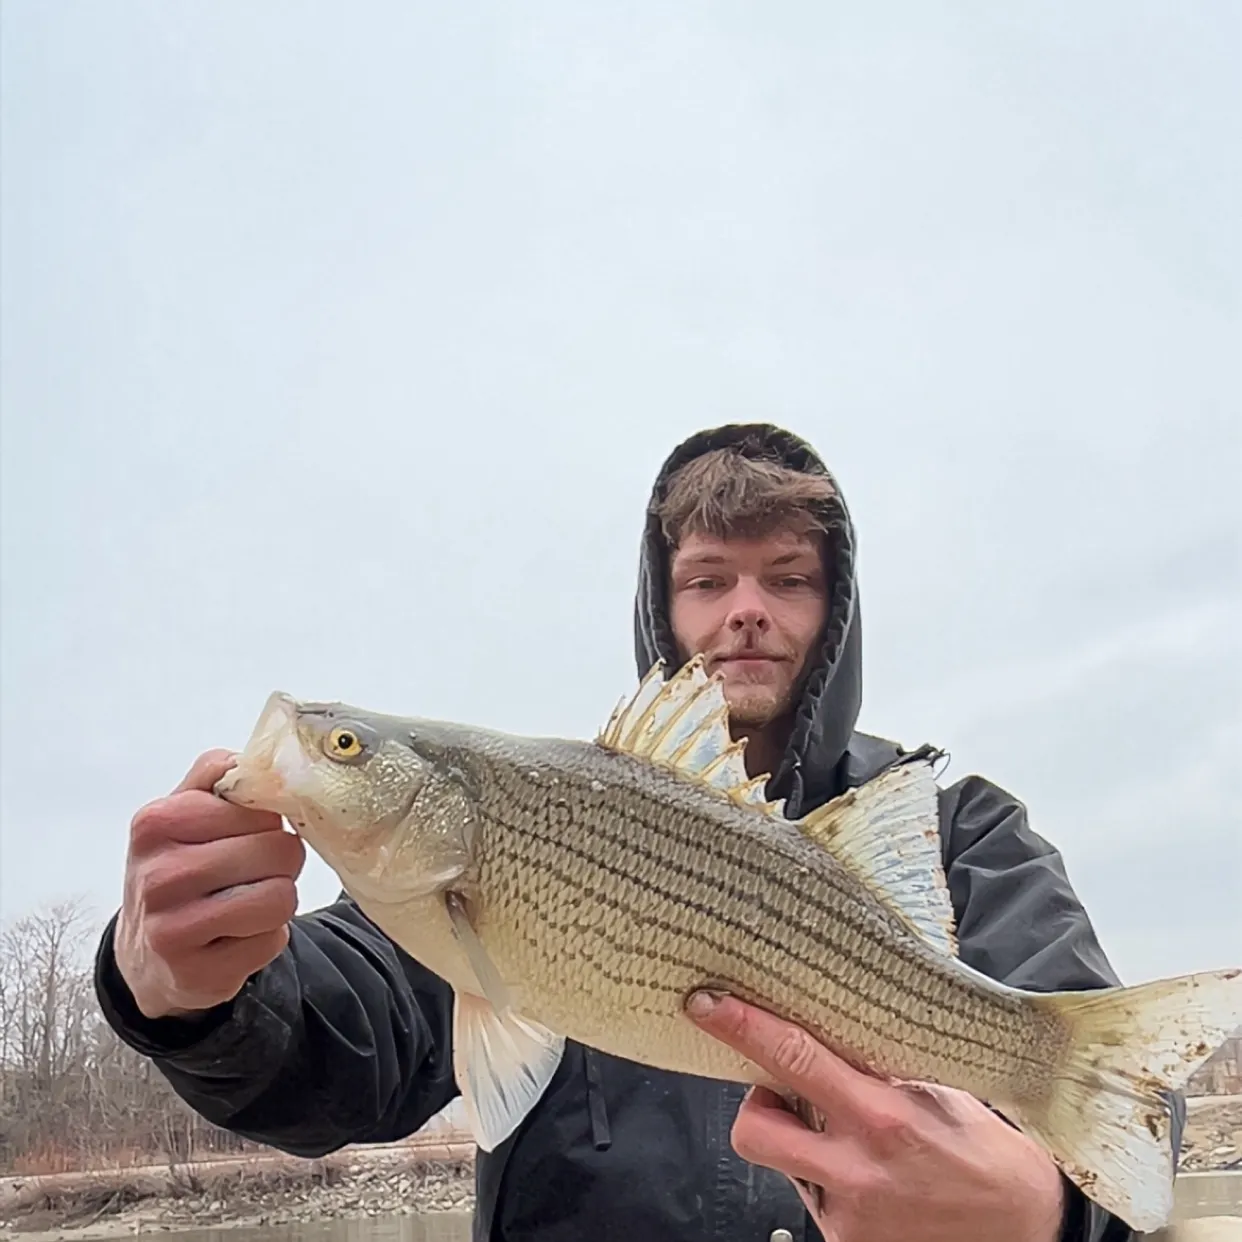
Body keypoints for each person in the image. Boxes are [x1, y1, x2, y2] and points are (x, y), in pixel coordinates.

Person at [94, 423, 1165, 1242]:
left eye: (789, 578)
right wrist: (189, 989)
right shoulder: (516, 828)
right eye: (707, 579)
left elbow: (1133, 1146)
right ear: (662, 606)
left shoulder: (959, 828)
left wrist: (1048, 1216)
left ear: (837, 612)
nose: (746, 608)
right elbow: (338, 1041)